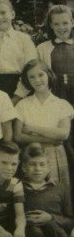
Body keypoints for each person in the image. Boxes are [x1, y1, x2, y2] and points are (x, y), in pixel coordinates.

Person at [14, 60, 73, 189]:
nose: (37, 80)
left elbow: (63, 134)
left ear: (49, 75)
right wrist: (49, 139)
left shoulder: (62, 104)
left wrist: (32, 129)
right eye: (32, 77)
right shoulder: (22, 105)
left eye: (41, 75)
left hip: (55, 154)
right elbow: (18, 136)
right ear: (27, 80)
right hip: (31, 154)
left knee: (57, 192)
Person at [14, 4, 74, 104]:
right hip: (54, 100)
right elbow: (31, 74)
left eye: (65, 23)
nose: (61, 27)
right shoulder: (42, 49)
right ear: (50, 25)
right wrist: (16, 98)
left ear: (72, 22)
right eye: (56, 24)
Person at [0, 0, 36, 101]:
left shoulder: (24, 40)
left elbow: (31, 70)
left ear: (12, 14)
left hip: (22, 90)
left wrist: (17, 97)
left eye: (3, 13)